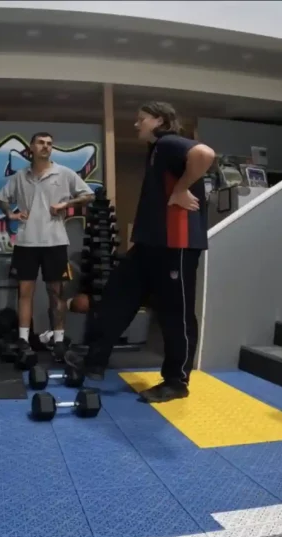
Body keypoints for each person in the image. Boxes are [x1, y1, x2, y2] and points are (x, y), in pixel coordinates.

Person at [77, 102, 216, 403]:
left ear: (161, 120)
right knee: (117, 298)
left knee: (174, 313)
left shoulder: (168, 143)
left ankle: (176, 382)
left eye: (142, 120)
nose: (136, 125)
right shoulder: (155, 151)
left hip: (176, 244)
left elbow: (204, 154)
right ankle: (95, 361)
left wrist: (181, 189)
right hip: (149, 244)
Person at [0, 132, 95, 360]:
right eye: (41, 143)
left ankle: (59, 341)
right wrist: (11, 213)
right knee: (25, 293)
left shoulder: (64, 173)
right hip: (26, 242)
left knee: (56, 293)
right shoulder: (20, 177)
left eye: (50, 144)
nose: (46, 147)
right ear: (31, 147)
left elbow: (88, 195)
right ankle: (23, 340)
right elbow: (1, 198)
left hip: (55, 242)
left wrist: (66, 203)